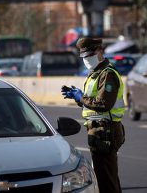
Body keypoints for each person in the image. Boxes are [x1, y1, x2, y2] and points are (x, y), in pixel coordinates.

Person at [61, 37, 125, 193]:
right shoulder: (94, 74)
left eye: (90, 55)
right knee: (107, 177)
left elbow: (103, 104)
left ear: (100, 51)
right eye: (84, 57)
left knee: (106, 181)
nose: (87, 59)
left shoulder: (107, 74)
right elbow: (92, 104)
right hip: (99, 133)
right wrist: (79, 98)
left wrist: (81, 97)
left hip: (106, 132)